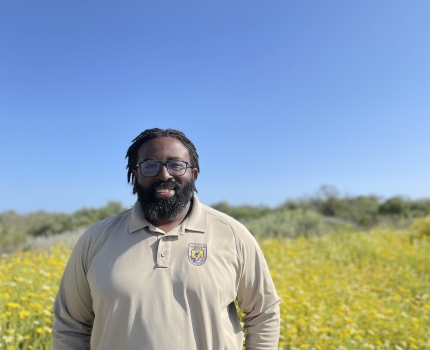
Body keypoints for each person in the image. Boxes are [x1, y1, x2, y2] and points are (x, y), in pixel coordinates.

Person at [52, 128, 281, 350]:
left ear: (194, 173)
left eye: (176, 165)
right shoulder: (96, 238)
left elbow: (264, 313)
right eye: (150, 165)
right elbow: (70, 324)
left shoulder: (232, 234)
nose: (164, 174)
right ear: (135, 174)